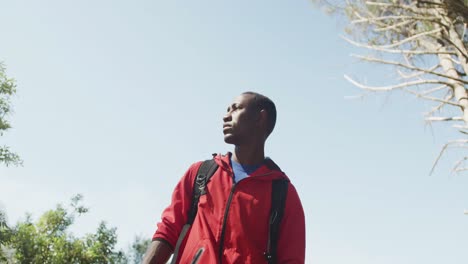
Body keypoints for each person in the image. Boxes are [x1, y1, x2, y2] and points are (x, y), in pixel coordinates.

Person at [143, 92, 305, 264]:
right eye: (227, 110)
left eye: (236, 109)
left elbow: (291, 259)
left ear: (260, 118)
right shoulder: (201, 173)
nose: (226, 116)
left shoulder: (283, 193)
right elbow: (168, 230)